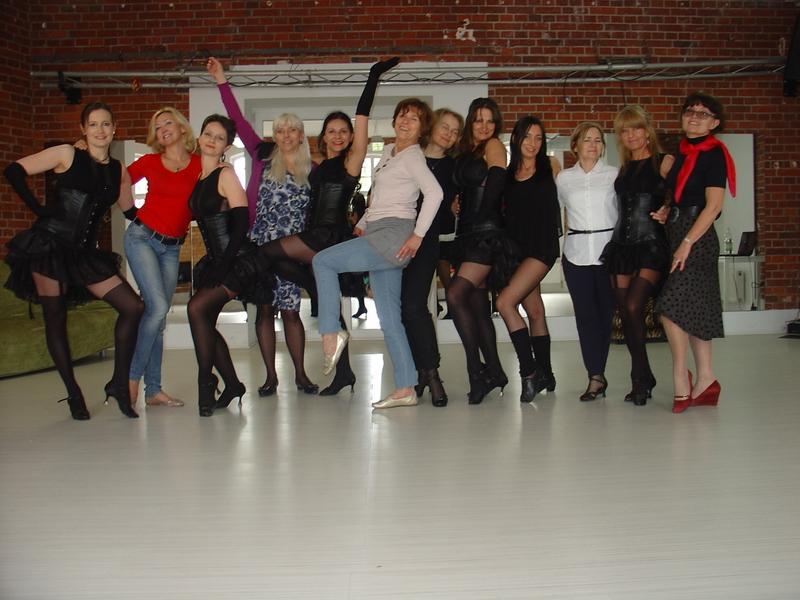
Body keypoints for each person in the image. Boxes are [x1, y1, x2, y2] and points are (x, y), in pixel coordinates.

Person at [257, 57, 399, 396]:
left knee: (266, 254)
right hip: (314, 233)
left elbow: (362, 119)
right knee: (327, 302)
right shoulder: (318, 166)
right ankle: (344, 373)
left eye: (343, 131)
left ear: (350, 137)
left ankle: (234, 283)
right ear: (323, 136)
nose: (338, 135)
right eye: (331, 131)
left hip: (327, 237)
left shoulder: (351, 161)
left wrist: (373, 77)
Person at [3, 102, 144, 420]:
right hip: (50, 245)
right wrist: (38, 209)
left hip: (84, 253)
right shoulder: (67, 154)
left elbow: (130, 211)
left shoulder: (118, 170)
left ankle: (119, 385)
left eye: (105, 124)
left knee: (133, 307)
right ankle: (73, 392)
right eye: (93, 124)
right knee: (55, 317)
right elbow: (13, 170)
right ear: (83, 129)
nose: (100, 130)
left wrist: (168, 227)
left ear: (114, 128)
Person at [313, 98, 443, 409]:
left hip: (394, 234)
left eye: (414, 119)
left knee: (322, 261)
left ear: (422, 129)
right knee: (390, 319)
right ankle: (406, 387)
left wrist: (417, 236)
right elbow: (379, 198)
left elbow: (435, 193)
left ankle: (330, 333)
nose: (405, 122)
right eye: (402, 115)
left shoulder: (413, 156)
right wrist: (362, 223)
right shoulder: (389, 151)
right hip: (378, 230)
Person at [207, 57, 317, 398]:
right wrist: (221, 80)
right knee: (264, 311)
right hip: (259, 245)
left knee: (291, 313)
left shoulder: (312, 170)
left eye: (291, 129)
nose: (285, 135)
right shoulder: (262, 155)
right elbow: (237, 120)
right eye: (280, 130)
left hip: (292, 250)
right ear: (274, 135)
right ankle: (271, 377)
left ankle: (301, 375)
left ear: (301, 135)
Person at [186, 114, 272, 416]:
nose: (212, 140)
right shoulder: (199, 176)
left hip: (236, 259)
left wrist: (224, 265)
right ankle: (233, 384)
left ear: (226, 146)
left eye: (219, 137)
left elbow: (240, 224)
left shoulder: (226, 174)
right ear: (199, 137)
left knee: (196, 309)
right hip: (216, 259)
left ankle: (205, 383)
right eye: (208, 134)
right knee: (204, 320)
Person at [655, 93, 735, 414]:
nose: (694, 117)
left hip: (696, 239)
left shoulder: (714, 154)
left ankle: (680, 376)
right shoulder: (683, 152)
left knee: (669, 307)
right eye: (690, 111)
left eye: (703, 114)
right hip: (678, 231)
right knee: (697, 307)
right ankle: (706, 378)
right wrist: (666, 211)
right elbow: (680, 197)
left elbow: (713, 206)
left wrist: (687, 241)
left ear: (714, 123)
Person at [124, 107, 201, 408]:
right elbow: (116, 180)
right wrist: (131, 213)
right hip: (142, 238)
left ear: (182, 128)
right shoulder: (149, 162)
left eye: (168, 123)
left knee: (157, 317)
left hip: (172, 248)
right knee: (157, 308)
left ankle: (153, 390)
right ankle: (131, 379)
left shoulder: (199, 165)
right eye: (157, 127)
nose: (163, 129)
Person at [600, 105, 674, 406]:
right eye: (624, 131)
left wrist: (669, 209)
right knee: (625, 311)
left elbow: (683, 195)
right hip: (621, 246)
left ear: (648, 130)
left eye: (636, 128)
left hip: (651, 244)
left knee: (633, 305)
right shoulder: (623, 168)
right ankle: (642, 377)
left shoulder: (664, 162)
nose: (631, 135)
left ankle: (640, 375)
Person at [447, 97, 516, 405]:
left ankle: (476, 373)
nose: (485, 126)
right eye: (478, 120)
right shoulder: (465, 153)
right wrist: (457, 204)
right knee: (477, 307)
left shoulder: (494, 146)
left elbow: (498, 181)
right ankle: (497, 372)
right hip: (466, 234)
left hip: (486, 235)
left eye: (490, 120)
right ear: (470, 123)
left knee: (455, 295)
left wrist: (481, 216)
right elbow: (466, 188)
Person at [495, 116, 562, 403]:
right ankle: (547, 373)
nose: (533, 143)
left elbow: (571, 194)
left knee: (504, 303)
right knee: (535, 311)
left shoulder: (551, 166)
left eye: (538, 137)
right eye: (527, 137)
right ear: (516, 139)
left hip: (542, 249)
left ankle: (529, 371)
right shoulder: (508, 176)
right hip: (517, 252)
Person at [404, 107, 462, 408]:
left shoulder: (454, 167)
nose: (449, 134)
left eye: (455, 131)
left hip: (426, 243)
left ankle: (432, 373)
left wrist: (455, 209)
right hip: (396, 238)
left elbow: (452, 209)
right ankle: (421, 371)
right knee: (402, 310)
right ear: (432, 126)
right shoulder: (410, 155)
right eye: (445, 126)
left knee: (415, 305)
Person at [556, 122, 618, 401]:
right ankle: (595, 375)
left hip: (608, 254)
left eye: (598, 140)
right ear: (576, 145)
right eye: (587, 140)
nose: (593, 145)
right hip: (576, 254)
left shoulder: (614, 175)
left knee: (605, 316)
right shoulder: (564, 179)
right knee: (585, 317)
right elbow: (553, 211)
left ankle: (598, 372)